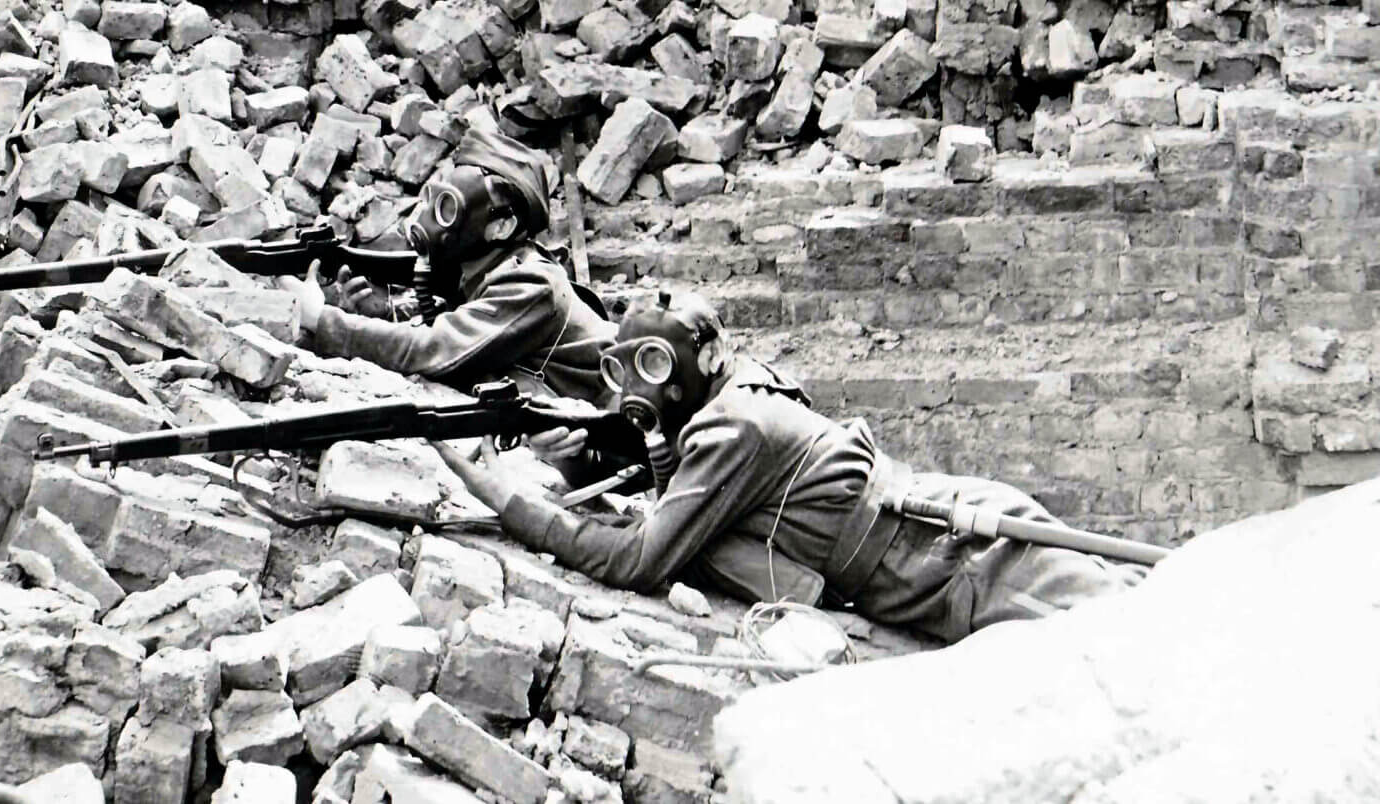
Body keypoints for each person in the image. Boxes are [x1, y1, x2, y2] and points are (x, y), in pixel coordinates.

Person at [432, 290, 1148, 644]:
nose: (641, 386)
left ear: (704, 359)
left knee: (1150, 631)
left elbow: (640, 560)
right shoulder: (734, 392)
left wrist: (510, 500)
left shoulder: (733, 425)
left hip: (958, 559)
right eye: (627, 368)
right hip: (937, 542)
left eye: (657, 364)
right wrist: (587, 453)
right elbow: (688, 491)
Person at [277, 127, 616, 406]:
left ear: (502, 227)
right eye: (432, 198)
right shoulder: (476, 268)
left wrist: (322, 320)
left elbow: (436, 349)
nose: (428, 218)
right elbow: (445, 324)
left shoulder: (531, 283)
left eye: (448, 209)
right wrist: (374, 313)